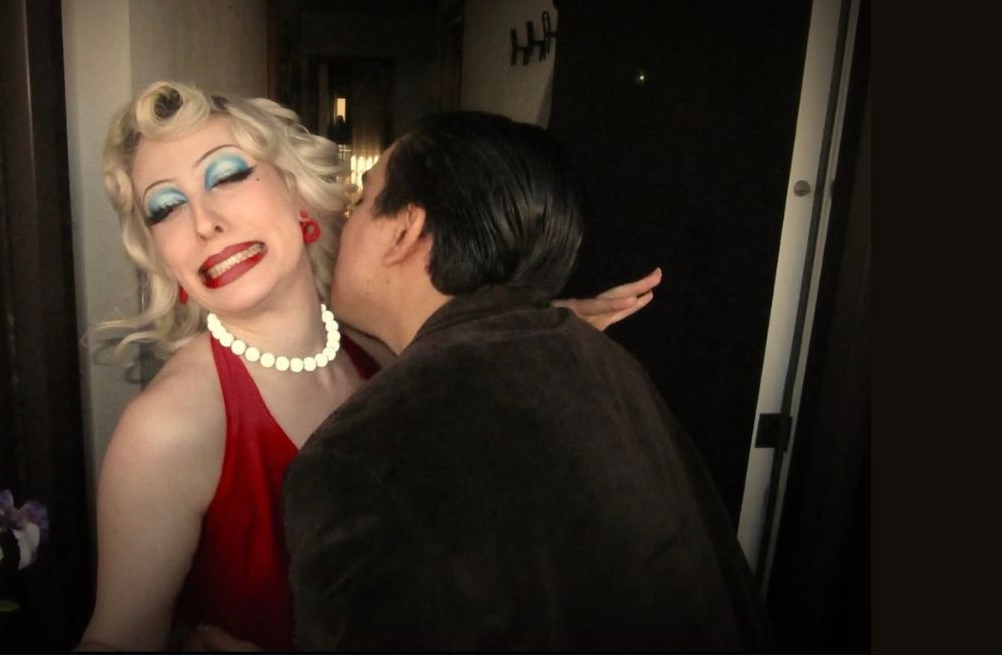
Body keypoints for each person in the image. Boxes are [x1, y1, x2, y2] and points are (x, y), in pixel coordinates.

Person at [75, 82, 660, 651]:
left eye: (226, 176)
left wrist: (537, 325)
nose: (203, 222)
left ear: (295, 192)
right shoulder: (169, 426)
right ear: (161, 256)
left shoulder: (381, 352)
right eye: (166, 208)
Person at [281, 112, 772, 650]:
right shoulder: (601, 360)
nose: (341, 225)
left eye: (358, 202)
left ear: (406, 230)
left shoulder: (359, 455)